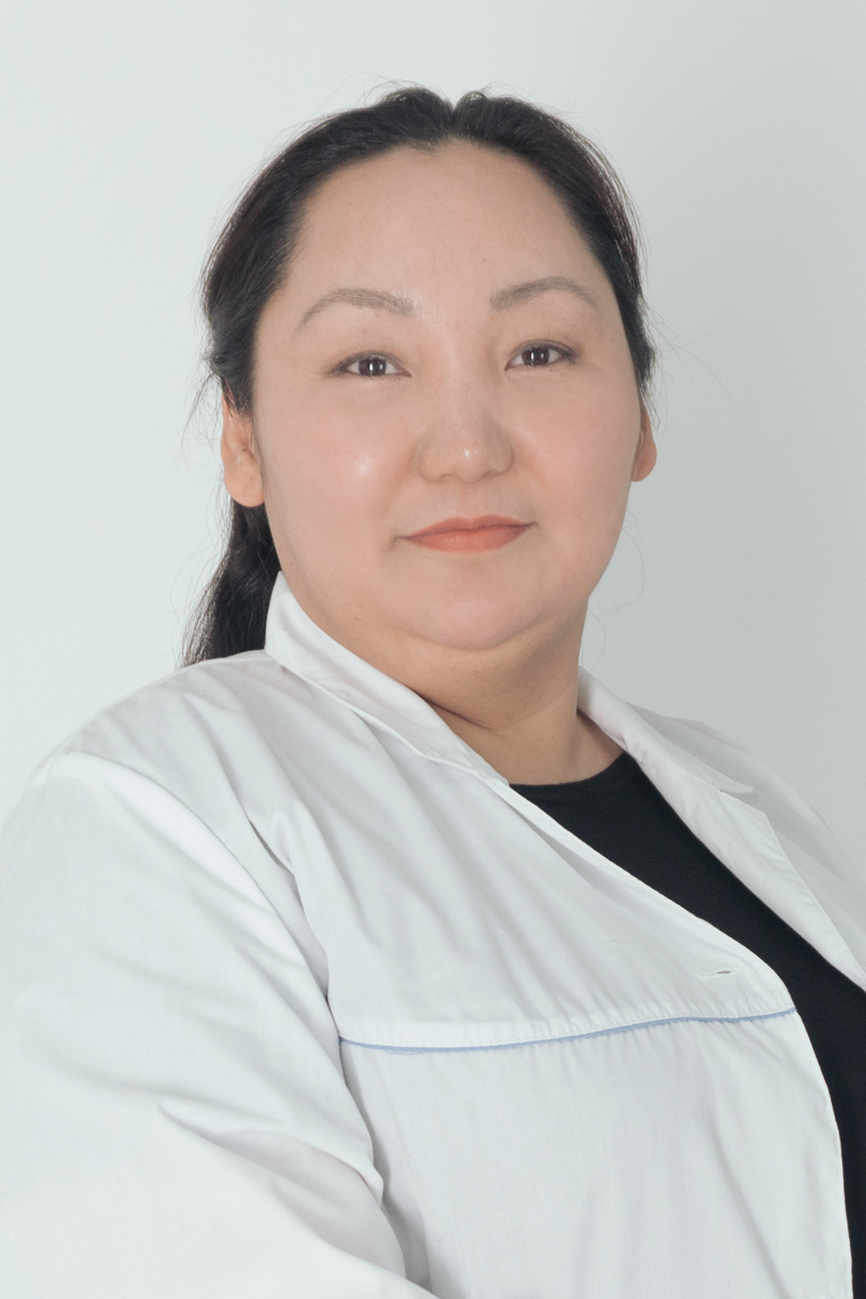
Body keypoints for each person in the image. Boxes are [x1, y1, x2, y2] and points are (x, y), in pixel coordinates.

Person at [0, 86, 863, 1299]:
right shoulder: (155, 819)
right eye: (369, 362)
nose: (465, 445)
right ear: (243, 440)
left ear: (638, 415)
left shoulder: (755, 809)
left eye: (539, 352)